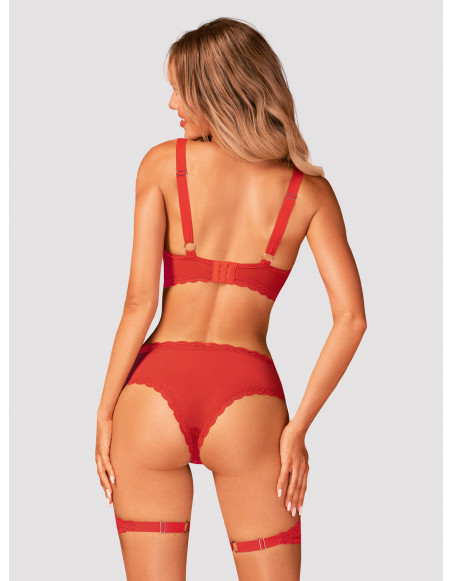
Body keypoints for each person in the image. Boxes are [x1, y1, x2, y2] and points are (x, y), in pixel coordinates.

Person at [95, 16, 367, 581]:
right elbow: (351, 319)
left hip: (150, 396)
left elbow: (139, 305)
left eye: (180, 89)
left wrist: (105, 410)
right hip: (247, 403)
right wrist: (297, 430)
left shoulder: (162, 164)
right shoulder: (309, 192)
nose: (172, 104)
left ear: (216, 91)